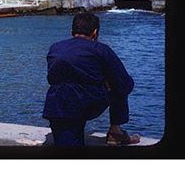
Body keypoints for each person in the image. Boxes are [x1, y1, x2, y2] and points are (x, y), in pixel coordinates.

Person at [43, 11, 141, 147]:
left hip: (57, 106)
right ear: (94, 32)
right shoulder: (100, 49)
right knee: (122, 84)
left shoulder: (55, 47)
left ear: (72, 31)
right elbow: (124, 82)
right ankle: (115, 132)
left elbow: (52, 77)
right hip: (87, 103)